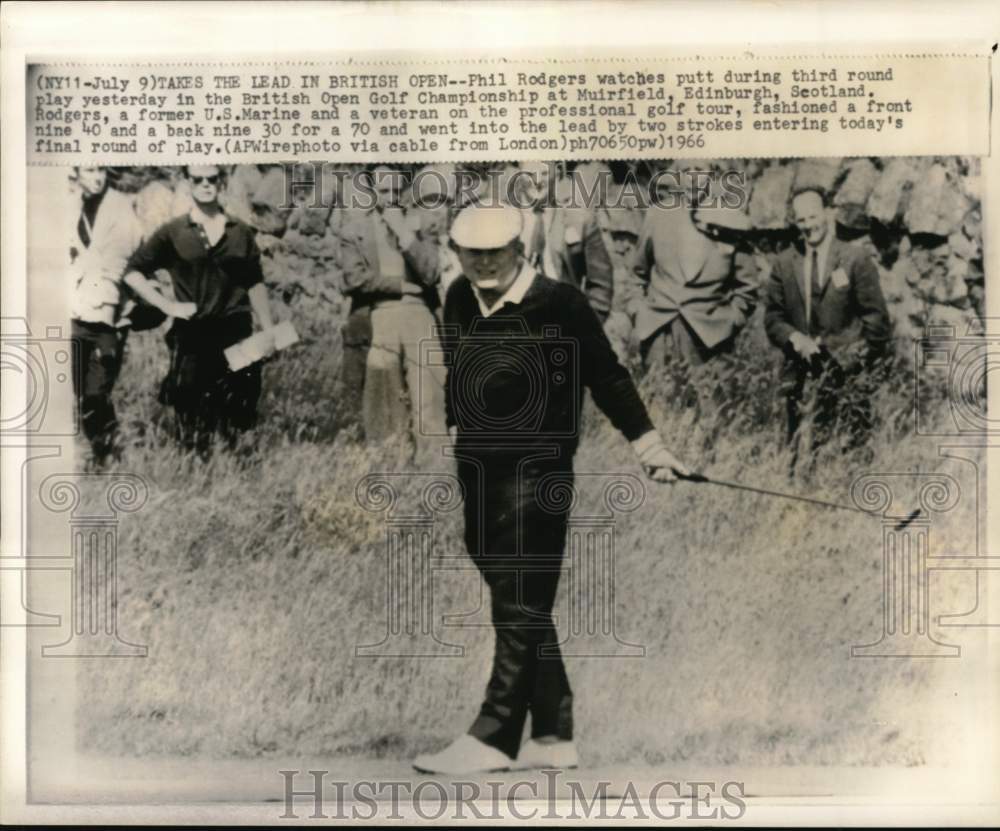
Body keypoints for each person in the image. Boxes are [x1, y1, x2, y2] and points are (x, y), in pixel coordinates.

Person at [412, 203, 690, 775]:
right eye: (473, 253)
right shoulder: (459, 298)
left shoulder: (560, 303)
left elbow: (607, 375)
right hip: (478, 469)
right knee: (520, 598)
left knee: (518, 596)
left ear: (521, 249)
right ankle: (553, 731)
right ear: (457, 253)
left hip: (538, 472)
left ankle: (493, 736)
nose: (485, 263)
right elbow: (459, 371)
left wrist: (648, 445)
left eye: (496, 252)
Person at [122, 164, 275, 454]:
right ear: (188, 182)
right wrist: (168, 306)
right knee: (190, 413)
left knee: (239, 411)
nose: (206, 185)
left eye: (212, 179)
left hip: (236, 330)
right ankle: (195, 474)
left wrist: (268, 330)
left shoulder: (241, 232)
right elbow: (133, 271)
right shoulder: (174, 231)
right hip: (193, 332)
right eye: (198, 179)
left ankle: (238, 476)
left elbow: (255, 283)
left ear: (222, 182)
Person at [763, 186, 892, 460]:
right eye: (802, 220)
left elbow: (877, 321)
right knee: (799, 451)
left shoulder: (855, 259)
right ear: (795, 223)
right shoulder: (784, 263)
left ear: (827, 213)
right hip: (798, 372)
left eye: (813, 216)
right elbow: (773, 317)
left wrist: (857, 364)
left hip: (847, 373)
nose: (809, 226)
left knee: (850, 451)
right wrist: (796, 340)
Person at [336, 165, 446, 459]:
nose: (392, 198)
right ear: (372, 192)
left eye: (397, 191)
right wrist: (402, 286)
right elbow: (354, 278)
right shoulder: (354, 230)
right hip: (379, 314)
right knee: (385, 397)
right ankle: (392, 466)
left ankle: (434, 468)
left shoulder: (420, 225)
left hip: (419, 315)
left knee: (429, 398)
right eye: (384, 191)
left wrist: (404, 233)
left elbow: (432, 271)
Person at [629, 162, 758, 369]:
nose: (693, 179)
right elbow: (637, 273)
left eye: (700, 171)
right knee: (656, 399)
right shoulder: (658, 214)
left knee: (706, 400)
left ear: (711, 175)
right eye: (686, 172)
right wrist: (637, 310)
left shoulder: (729, 220)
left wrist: (732, 320)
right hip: (657, 332)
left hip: (709, 338)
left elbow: (747, 287)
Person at [68, 166, 144, 466]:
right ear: (76, 171)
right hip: (73, 311)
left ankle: (111, 455)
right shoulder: (68, 205)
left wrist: (109, 322)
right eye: (90, 169)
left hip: (106, 317)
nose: (97, 176)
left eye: (101, 168)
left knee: (97, 391)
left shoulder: (120, 209)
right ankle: (100, 453)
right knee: (82, 395)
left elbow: (119, 262)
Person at [515, 161, 615, 323]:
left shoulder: (579, 219)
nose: (538, 181)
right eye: (530, 175)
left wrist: (587, 327)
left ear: (558, 173)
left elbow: (601, 284)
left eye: (545, 174)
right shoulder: (503, 219)